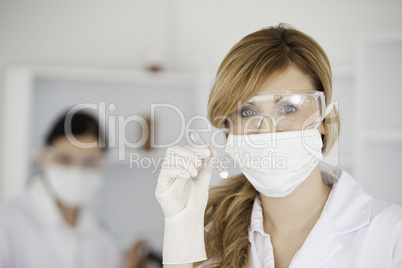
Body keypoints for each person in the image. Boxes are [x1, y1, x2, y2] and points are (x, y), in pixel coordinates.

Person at [155, 24, 402, 268]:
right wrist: (182, 228)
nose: (267, 131)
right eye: (247, 111)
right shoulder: (210, 238)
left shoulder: (391, 234)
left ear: (324, 120)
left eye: (288, 108)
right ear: (228, 130)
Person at [0, 111, 149, 268]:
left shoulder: (104, 241)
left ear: (103, 164)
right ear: (44, 156)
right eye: (65, 159)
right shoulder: (7, 223)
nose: (77, 172)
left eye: (89, 161)